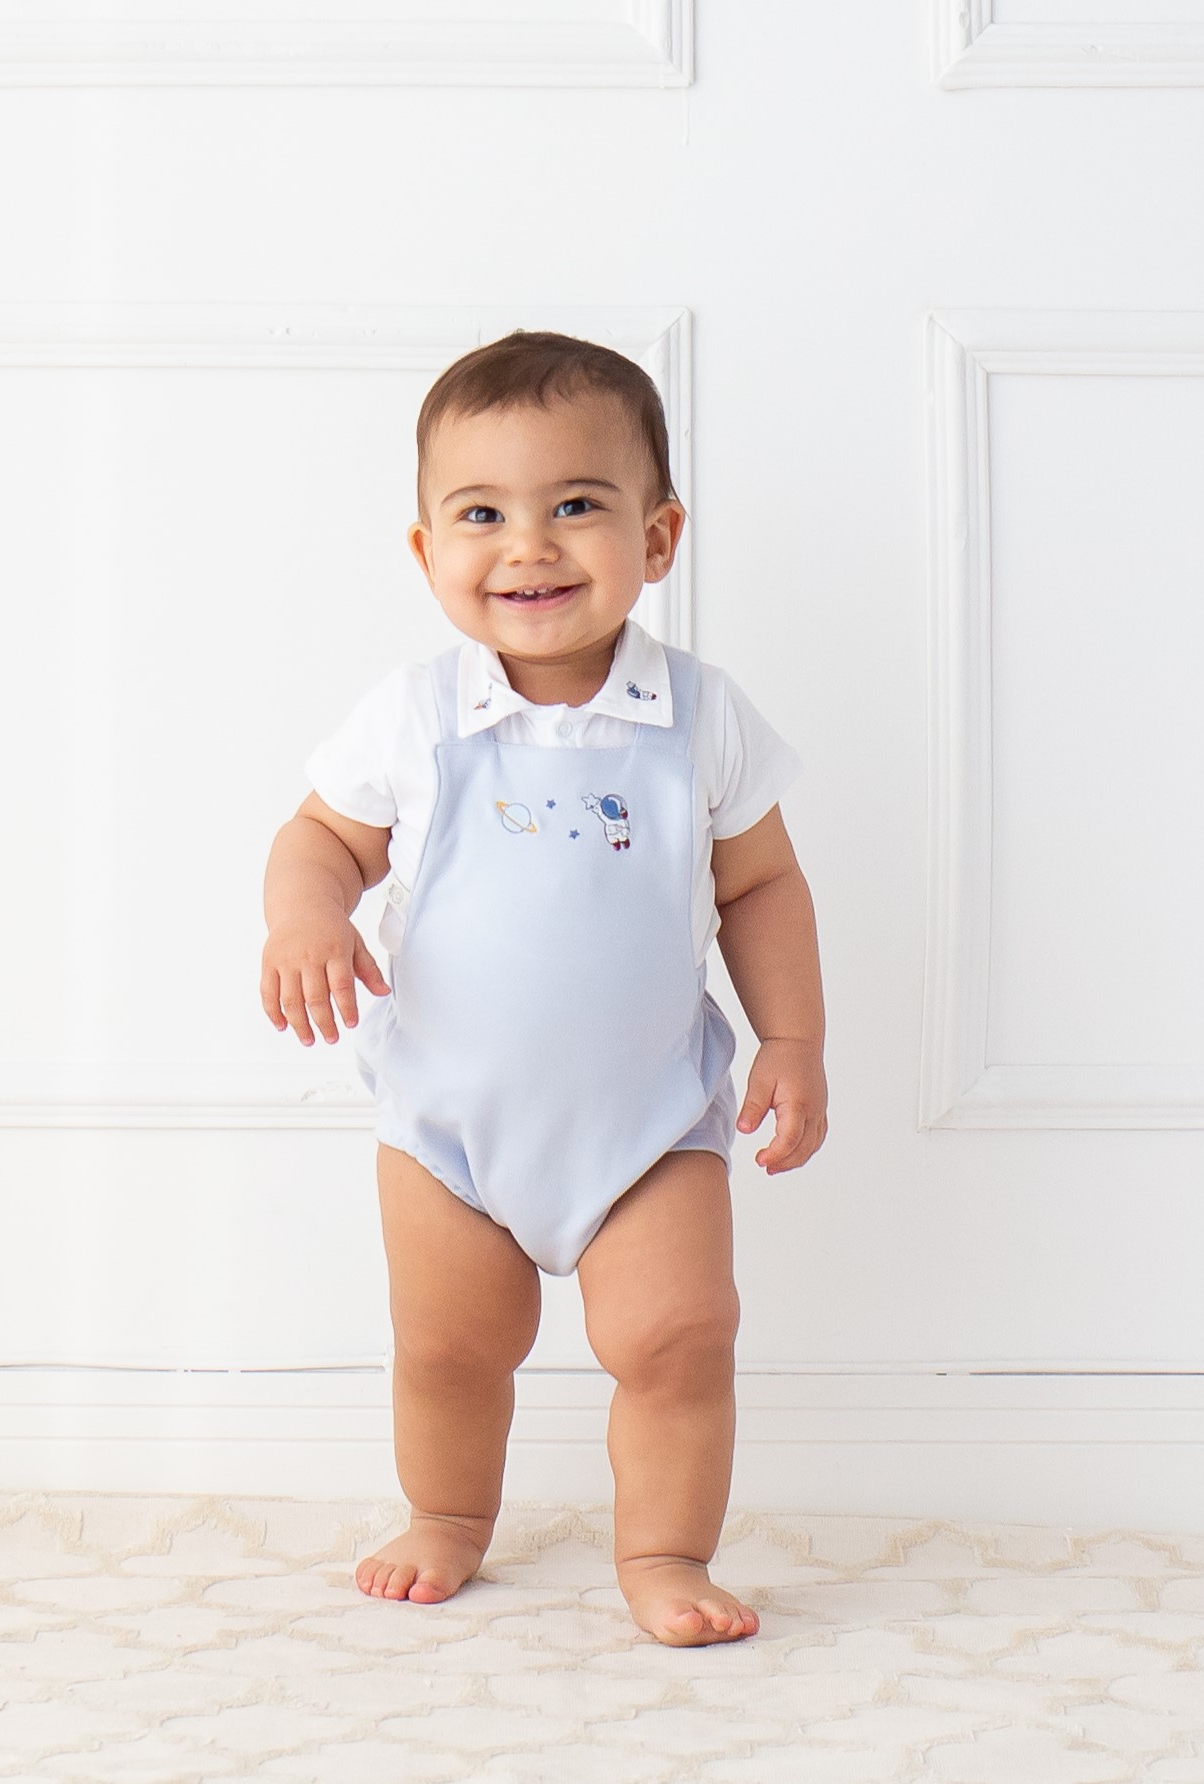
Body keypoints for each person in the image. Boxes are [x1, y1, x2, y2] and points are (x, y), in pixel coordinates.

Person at [259, 330, 827, 1647]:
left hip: (649, 1121)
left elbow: (760, 886)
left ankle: (666, 1548)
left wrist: (792, 1037)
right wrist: (304, 914)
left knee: (681, 1337)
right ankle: (448, 1514)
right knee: (449, 1345)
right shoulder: (416, 715)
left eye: (576, 505)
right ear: (426, 552)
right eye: (482, 515)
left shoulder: (699, 715)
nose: (529, 546)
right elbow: (322, 837)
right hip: (449, 1124)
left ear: (658, 536)